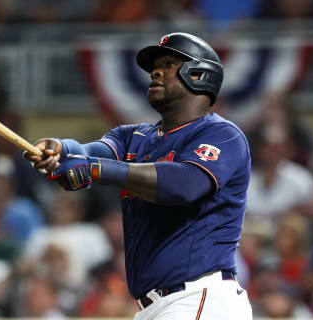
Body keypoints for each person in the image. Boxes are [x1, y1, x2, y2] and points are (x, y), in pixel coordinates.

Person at [25, 32, 253, 320]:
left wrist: (94, 169)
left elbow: (184, 184)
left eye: (169, 63)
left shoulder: (222, 135)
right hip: (157, 306)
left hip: (200, 298)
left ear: (199, 74)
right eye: (154, 66)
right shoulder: (132, 136)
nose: (155, 71)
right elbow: (92, 152)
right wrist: (61, 150)